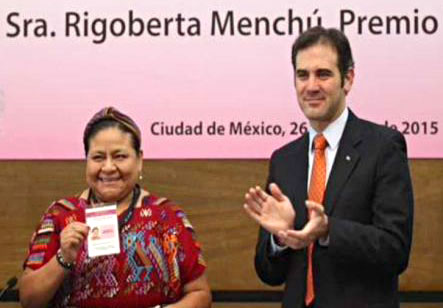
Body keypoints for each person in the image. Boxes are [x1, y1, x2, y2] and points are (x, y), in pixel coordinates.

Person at [244, 26, 414, 308]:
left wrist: (329, 230)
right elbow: (269, 274)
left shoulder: (383, 148)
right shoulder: (284, 160)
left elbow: (395, 250)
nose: (311, 86)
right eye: (302, 75)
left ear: (348, 79)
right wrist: (280, 238)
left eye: (323, 74)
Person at [20, 107, 212, 308]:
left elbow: (200, 294)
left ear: (139, 160)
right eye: (98, 157)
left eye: (120, 156)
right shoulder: (61, 214)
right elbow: (29, 300)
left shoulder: (166, 215)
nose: (109, 167)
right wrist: (63, 258)